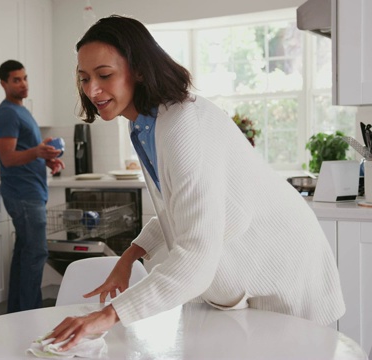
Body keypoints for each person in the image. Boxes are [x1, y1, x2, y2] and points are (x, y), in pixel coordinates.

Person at [47, 15, 345, 351]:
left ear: (140, 70)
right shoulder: (145, 127)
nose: (92, 90)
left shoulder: (184, 125)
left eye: (105, 75)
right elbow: (183, 211)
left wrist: (109, 315)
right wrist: (130, 256)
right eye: (84, 78)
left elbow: (196, 256)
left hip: (286, 274)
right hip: (247, 282)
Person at [0, 60, 65, 313]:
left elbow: (26, 152)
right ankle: (32, 314)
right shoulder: (7, 113)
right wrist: (37, 152)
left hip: (32, 191)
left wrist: (47, 159)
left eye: (24, 78)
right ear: (3, 83)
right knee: (35, 254)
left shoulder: (22, 111)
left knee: (25, 255)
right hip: (23, 195)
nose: (23, 84)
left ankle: (18, 314)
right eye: (16, 80)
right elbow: (8, 158)